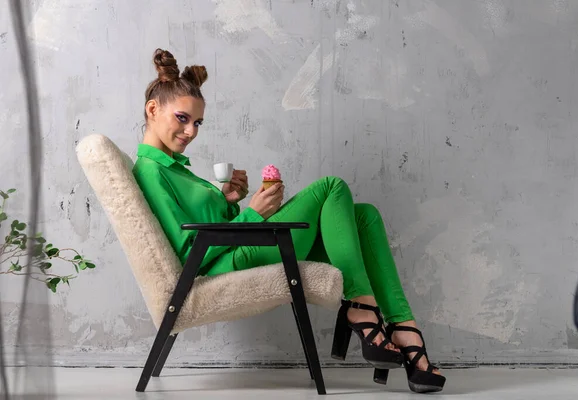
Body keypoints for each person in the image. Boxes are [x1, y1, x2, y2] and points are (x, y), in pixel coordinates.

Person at [133, 48, 446, 394]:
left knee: (365, 216)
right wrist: (253, 215)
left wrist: (228, 202)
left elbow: (201, 225)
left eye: (197, 123)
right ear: (153, 110)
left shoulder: (175, 169)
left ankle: (404, 328)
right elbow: (190, 249)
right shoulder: (151, 171)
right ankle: (362, 310)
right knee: (331, 187)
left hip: (241, 247)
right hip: (233, 261)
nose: (191, 131)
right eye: (182, 118)